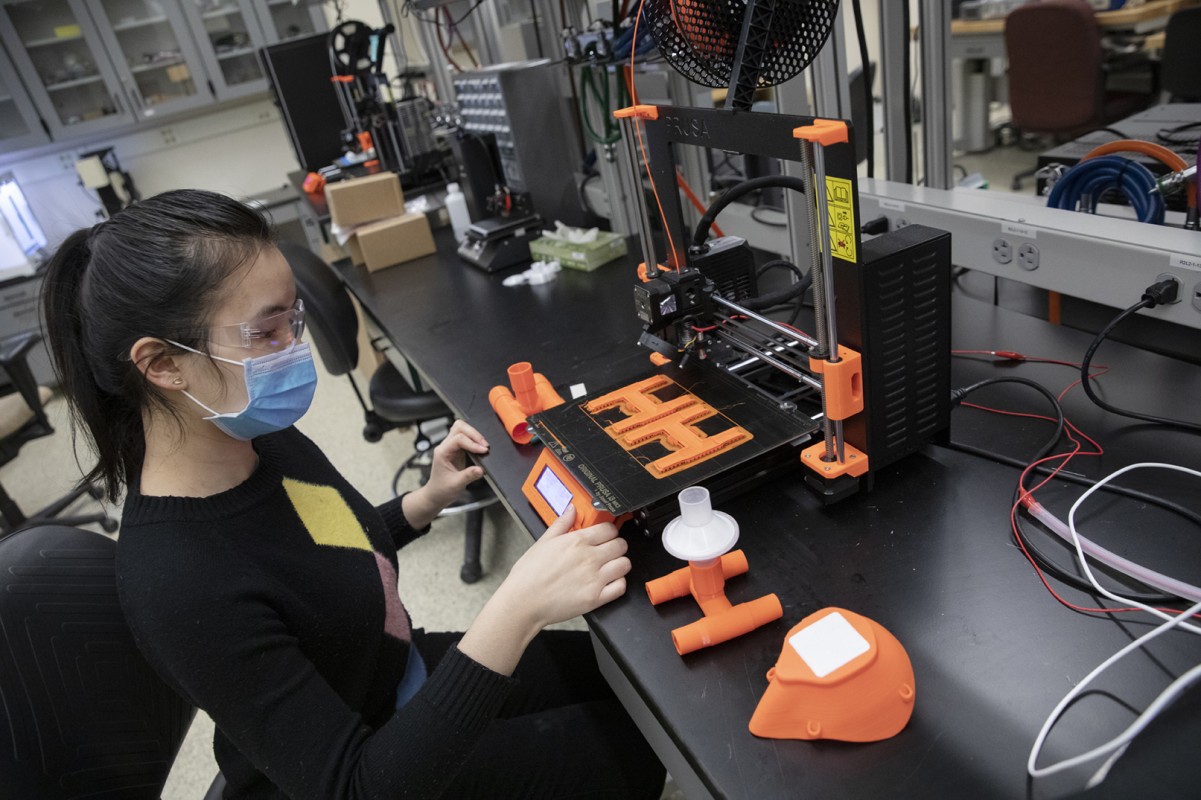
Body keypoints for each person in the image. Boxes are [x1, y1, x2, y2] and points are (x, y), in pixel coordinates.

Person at [42, 189, 666, 799]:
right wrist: (517, 607)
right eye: (265, 333)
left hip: (388, 670)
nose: (294, 348)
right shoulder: (176, 582)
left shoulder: (259, 441)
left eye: (294, 320)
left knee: (633, 682)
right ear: (161, 364)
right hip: (368, 760)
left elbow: (315, 551)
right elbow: (355, 784)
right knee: (637, 749)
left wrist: (425, 500)